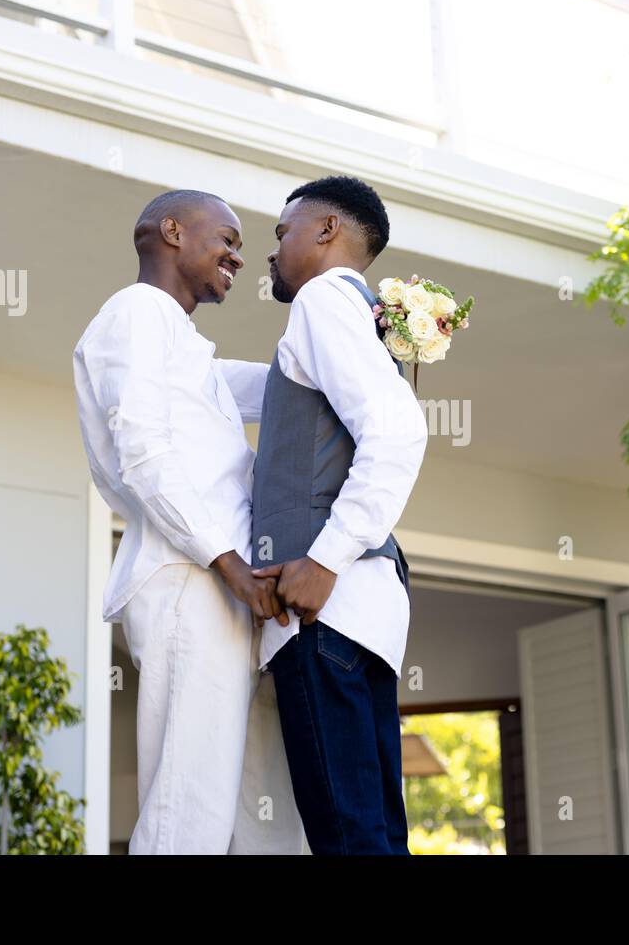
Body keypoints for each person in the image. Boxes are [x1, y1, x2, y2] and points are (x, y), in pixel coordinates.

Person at [72, 189, 301, 854]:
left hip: (216, 581)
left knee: (235, 805)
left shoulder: (182, 344)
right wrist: (228, 563)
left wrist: (365, 342)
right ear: (170, 231)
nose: (238, 253)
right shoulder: (138, 313)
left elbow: (279, 387)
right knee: (186, 808)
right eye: (225, 237)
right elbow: (143, 453)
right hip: (193, 576)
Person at [252, 176, 427, 854]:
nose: (271, 252)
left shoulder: (323, 298)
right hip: (363, 619)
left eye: (281, 233)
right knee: (375, 836)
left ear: (327, 230)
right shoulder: (350, 314)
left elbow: (398, 429)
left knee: (349, 840)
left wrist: (324, 558)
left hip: (328, 613)